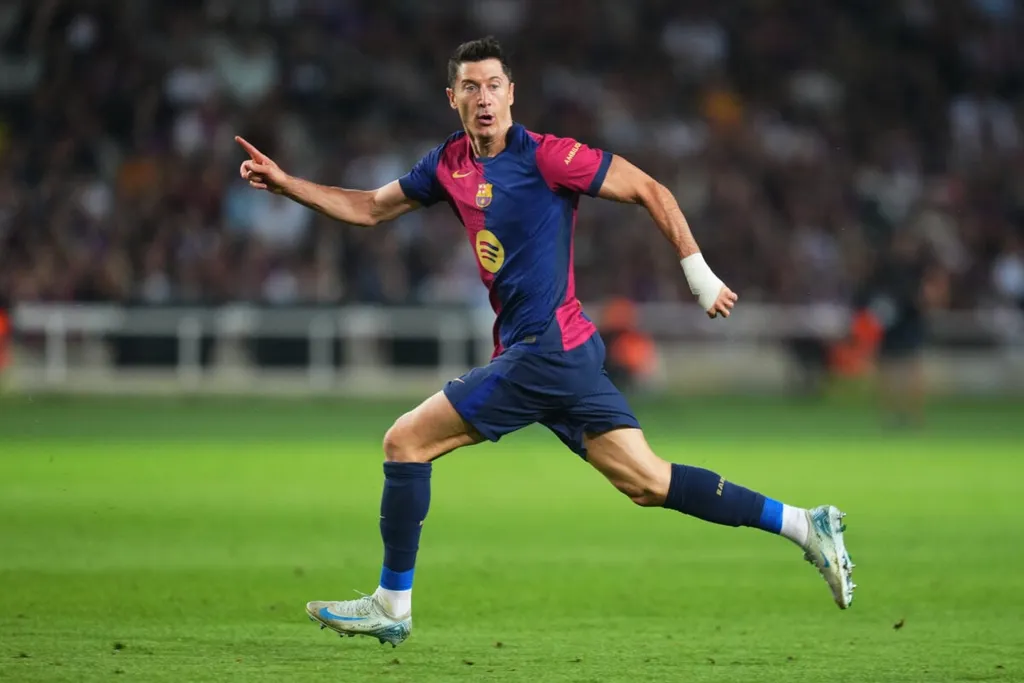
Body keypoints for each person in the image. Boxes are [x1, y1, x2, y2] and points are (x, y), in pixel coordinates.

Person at [236, 37, 855, 647]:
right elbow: (370, 208)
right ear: (452, 98)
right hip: (562, 352)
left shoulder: (547, 156)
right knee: (648, 482)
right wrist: (289, 184)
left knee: (405, 442)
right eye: (471, 87)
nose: (485, 99)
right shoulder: (449, 163)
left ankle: (392, 603)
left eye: (495, 85)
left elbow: (649, 190)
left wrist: (700, 275)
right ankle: (806, 525)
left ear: (513, 93)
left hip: (544, 348)